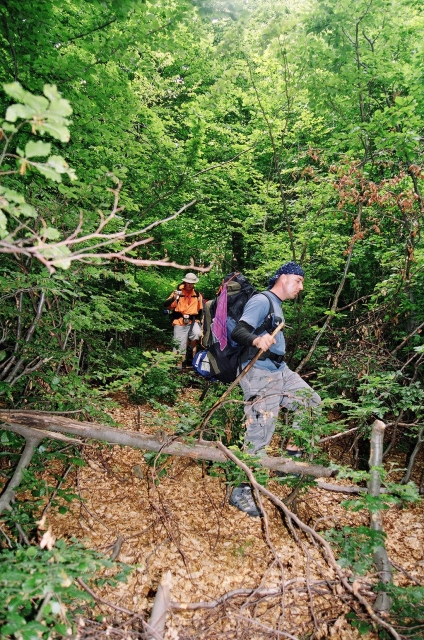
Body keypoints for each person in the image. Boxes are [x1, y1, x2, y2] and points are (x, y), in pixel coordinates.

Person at [228, 261, 322, 517]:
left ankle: (288, 460)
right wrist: (257, 339)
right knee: (261, 430)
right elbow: (239, 330)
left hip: (280, 370)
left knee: (310, 402)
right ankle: (242, 489)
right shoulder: (262, 300)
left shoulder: (277, 305)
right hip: (258, 372)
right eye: (299, 281)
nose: (301, 287)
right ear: (283, 278)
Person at [164, 273, 204, 367]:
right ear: (185, 282)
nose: (190, 285)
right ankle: (178, 367)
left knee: (197, 335)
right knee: (179, 344)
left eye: (192, 283)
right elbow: (166, 304)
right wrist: (173, 298)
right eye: (188, 283)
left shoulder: (197, 295)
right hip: (179, 321)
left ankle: (189, 351)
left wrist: (200, 322)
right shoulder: (178, 293)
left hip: (193, 321)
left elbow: (200, 310)